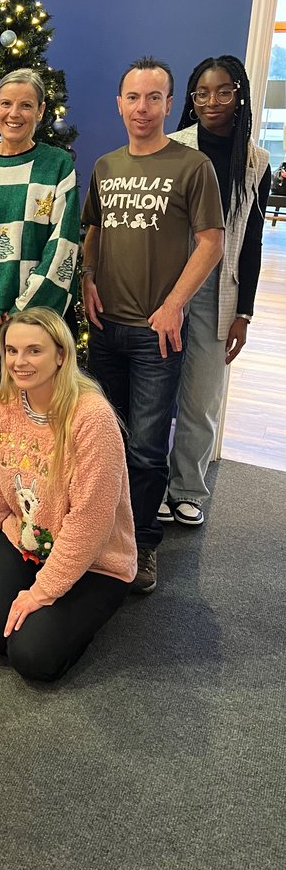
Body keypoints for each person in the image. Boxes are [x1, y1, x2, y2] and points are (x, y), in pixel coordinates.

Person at [81, 57, 224, 594]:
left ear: (169, 104)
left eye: (154, 98)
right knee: (104, 442)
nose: (142, 108)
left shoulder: (192, 167)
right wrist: (88, 276)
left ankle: (140, 545)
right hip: (104, 327)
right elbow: (92, 227)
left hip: (156, 332)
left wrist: (175, 304)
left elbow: (211, 241)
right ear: (119, 104)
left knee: (144, 446)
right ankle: (102, 535)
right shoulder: (105, 165)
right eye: (133, 98)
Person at [0, 308, 136, 682]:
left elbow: (90, 522)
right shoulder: (0, 406)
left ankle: (77, 623)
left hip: (94, 559)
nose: (19, 362)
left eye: (34, 351)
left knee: (32, 656)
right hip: (27, 540)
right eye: (11, 350)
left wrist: (41, 593)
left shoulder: (92, 418)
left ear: (61, 355)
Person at [0, 68, 80, 548]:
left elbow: (63, 240)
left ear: (41, 113)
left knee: (40, 407)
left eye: (27, 105)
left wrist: (26, 312)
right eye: (7, 104)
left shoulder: (57, 166)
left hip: (37, 319)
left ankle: (41, 494)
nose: (15, 114)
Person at [160, 55, 270, 527]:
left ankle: (186, 488)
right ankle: (142, 482)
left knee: (203, 397)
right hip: (165, 284)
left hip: (219, 292)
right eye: (201, 92)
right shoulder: (172, 147)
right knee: (154, 390)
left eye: (223, 91)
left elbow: (252, 241)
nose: (211, 101)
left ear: (238, 95)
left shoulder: (255, 161)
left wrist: (244, 312)